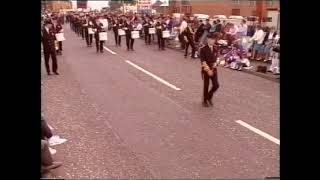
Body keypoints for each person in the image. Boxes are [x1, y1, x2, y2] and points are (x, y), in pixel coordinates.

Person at [199, 33, 220, 107]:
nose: (213, 41)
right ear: (208, 39)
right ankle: (204, 100)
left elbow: (217, 58)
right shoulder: (203, 49)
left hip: (214, 68)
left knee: (216, 85)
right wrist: (208, 70)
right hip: (206, 69)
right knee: (206, 85)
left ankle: (209, 96)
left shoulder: (216, 48)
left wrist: (216, 64)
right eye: (211, 39)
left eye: (214, 39)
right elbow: (203, 61)